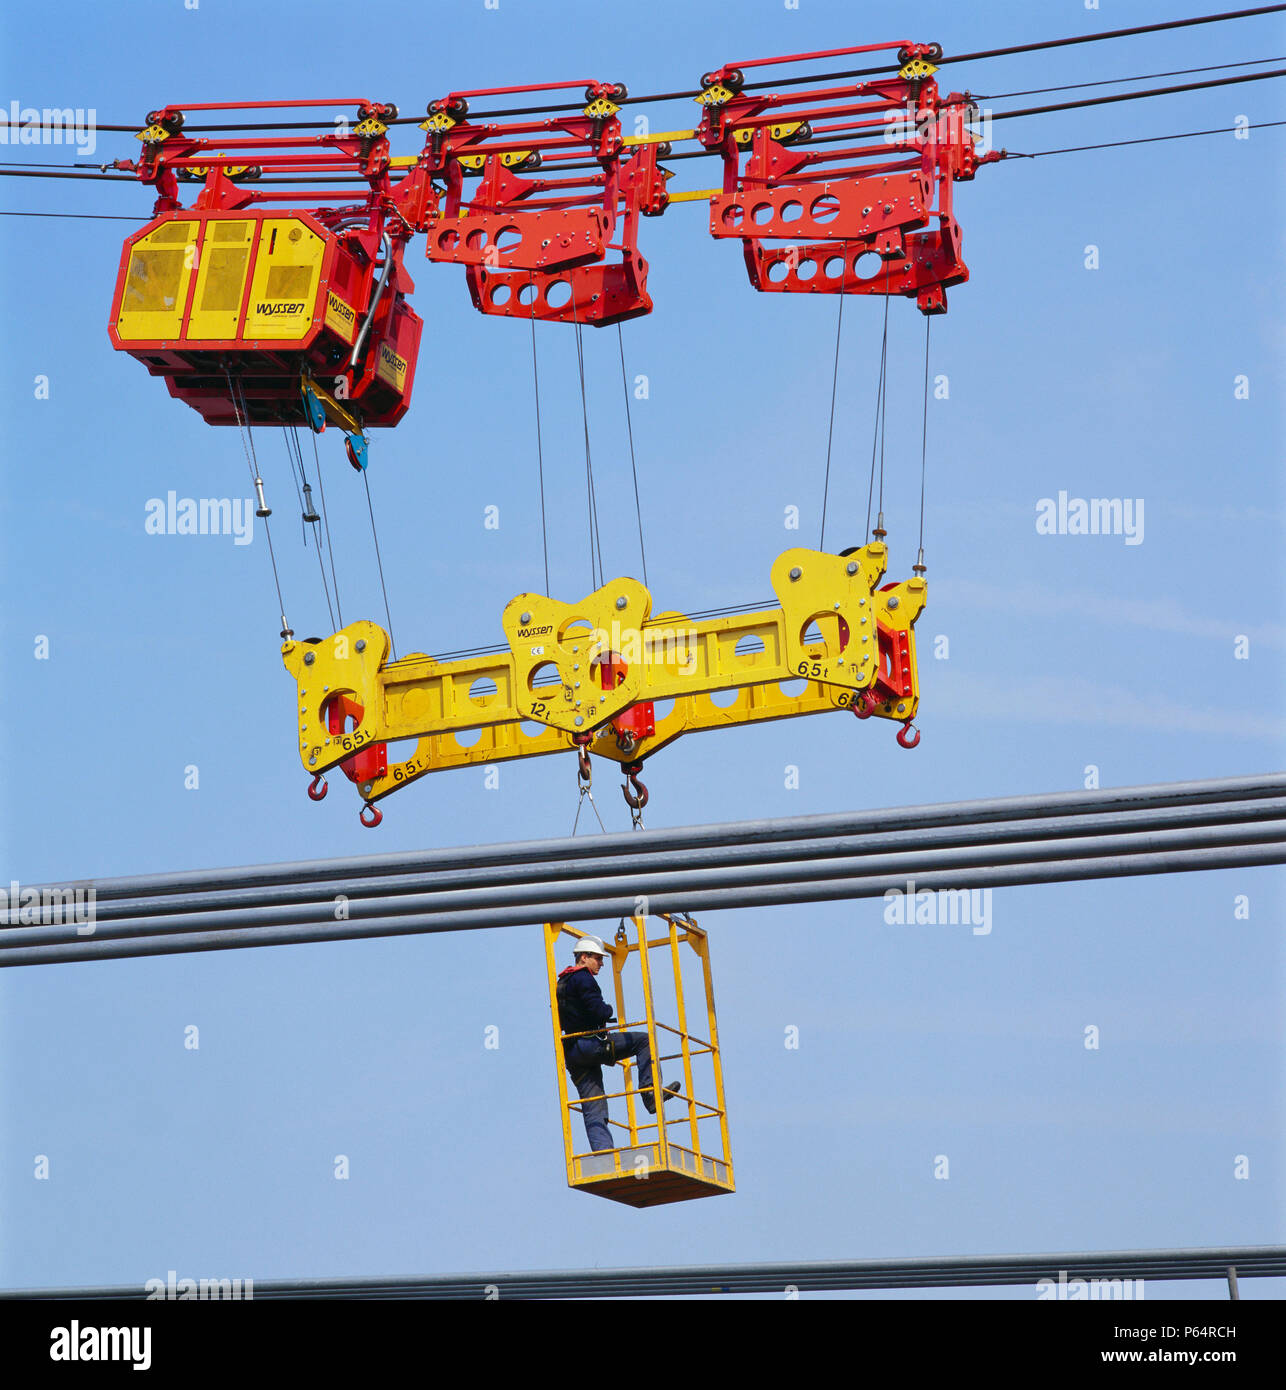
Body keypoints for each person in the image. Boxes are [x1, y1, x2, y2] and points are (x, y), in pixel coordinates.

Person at [556, 935, 680, 1152]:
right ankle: (650, 1095)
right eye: (597, 958)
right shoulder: (583, 978)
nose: (601, 963)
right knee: (644, 1040)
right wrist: (608, 1010)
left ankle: (604, 1153)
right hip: (591, 1044)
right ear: (584, 957)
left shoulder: (562, 982)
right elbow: (598, 1010)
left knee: (594, 1103)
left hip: (573, 1052)